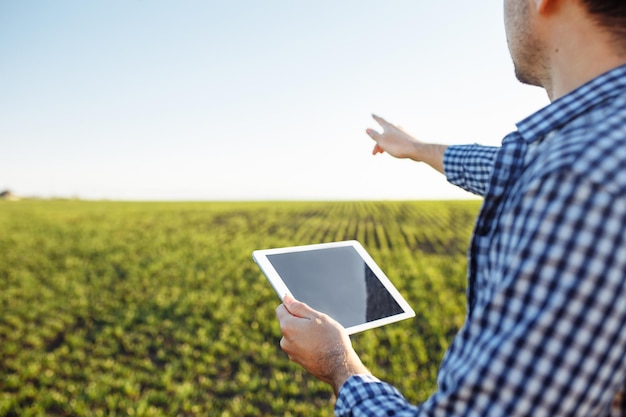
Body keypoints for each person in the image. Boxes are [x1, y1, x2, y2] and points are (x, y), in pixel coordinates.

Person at [276, 0, 626, 415]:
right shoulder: (598, 144)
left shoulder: (583, 178)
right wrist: (418, 150)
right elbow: (512, 168)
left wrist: (339, 365)